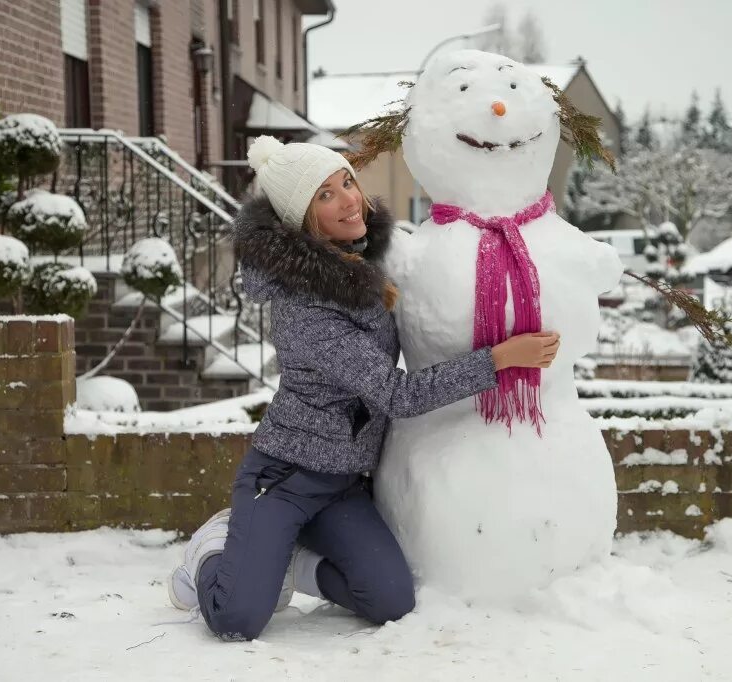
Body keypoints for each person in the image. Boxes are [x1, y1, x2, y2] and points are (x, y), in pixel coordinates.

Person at [166, 136, 561, 641]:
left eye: (346, 182)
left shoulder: (357, 261)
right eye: (325, 196)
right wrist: (499, 360)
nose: (350, 199)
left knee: (390, 599)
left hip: (343, 483)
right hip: (284, 479)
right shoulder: (304, 308)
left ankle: (290, 566)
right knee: (238, 618)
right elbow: (396, 396)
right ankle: (211, 556)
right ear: (303, 221)